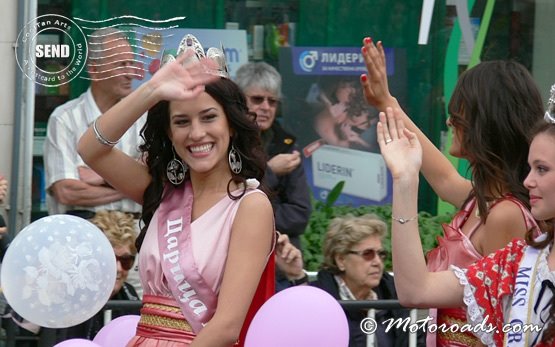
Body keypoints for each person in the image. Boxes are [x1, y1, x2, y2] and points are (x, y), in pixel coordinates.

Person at [77, 34, 275, 346]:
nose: (197, 133)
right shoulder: (162, 192)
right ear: (169, 133)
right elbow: (91, 149)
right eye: (181, 122)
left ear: (232, 124)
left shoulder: (250, 206)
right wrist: (151, 90)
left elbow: (226, 328)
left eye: (209, 117)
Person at [360, 37, 543, 345]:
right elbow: (444, 179)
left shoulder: (506, 214)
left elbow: (503, 327)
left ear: (486, 124)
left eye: (458, 115)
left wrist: (405, 182)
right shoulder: (483, 200)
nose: (448, 121)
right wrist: (386, 103)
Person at [378, 106, 555, 347]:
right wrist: (405, 180)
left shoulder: (507, 219)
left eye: (542, 169)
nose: (528, 181)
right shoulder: (518, 260)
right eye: (530, 167)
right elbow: (415, 290)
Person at [43, 27, 145, 296]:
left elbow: (154, 186)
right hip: (79, 247)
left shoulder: (145, 120)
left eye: (132, 63)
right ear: (96, 70)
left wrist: (99, 176)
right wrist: (129, 181)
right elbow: (67, 190)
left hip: (135, 249)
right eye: (121, 64)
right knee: (77, 326)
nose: (131, 72)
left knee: (133, 321)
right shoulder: (64, 118)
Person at [235, 62, 311, 251]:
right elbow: (229, 205)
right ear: (238, 101)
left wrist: (253, 217)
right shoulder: (225, 142)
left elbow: (300, 215)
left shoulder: (287, 144)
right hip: (237, 250)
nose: (266, 107)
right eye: (257, 99)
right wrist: (270, 171)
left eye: (272, 101)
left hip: (282, 253)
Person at [56, 210, 140, 341]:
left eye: (126, 260)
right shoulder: (69, 295)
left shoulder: (129, 294)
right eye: (109, 260)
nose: (118, 268)